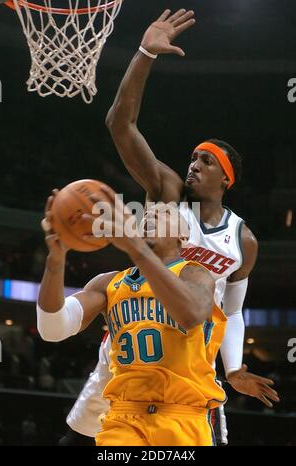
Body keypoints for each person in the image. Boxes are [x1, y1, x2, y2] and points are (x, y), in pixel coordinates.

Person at [63, 8, 279, 446]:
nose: (193, 163)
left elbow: (233, 311)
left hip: (188, 365)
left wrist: (234, 367)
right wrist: (144, 53)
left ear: (226, 178)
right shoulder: (167, 192)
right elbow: (119, 124)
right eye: (193, 156)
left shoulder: (243, 240)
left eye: (206, 160)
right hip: (131, 348)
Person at [38, 185, 229, 446]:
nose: (150, 215)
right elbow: (52, 328)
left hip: (183, 419)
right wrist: (56, 261)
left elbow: (191, 314)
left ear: (183, 236)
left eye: (162, 214)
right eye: (147, 215)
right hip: (123, 419)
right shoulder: (108, 284)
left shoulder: (195, 274)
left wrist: (138, 250)